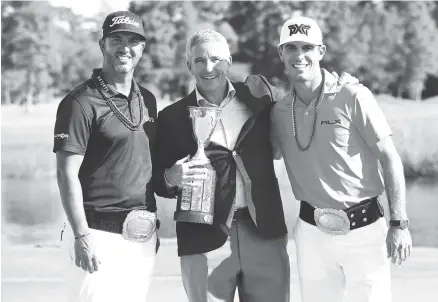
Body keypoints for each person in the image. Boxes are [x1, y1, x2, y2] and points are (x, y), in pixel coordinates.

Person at [153, 29, 355, 302]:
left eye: (216, 59)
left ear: (229, 61)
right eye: (199, 60)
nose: (209, 67)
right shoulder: (171, 117)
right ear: (189, 65)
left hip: (264, 232)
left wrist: (335, 86)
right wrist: (172, 177)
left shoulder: (258, 93)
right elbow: (160, 183)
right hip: (204, 239)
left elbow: (300, 104)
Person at [271, 16, 413, 302]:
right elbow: (265, 155)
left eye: (307, 48)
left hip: (365, 232)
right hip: (311, 236)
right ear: (281, 54)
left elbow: (390, 158)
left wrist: (399, 224)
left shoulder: (353, 95)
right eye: (292, 47)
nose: (300, 55)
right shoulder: (278, 112)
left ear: (321, 52)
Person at [54, 11, 159, 302]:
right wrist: (81, 236)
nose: (125, 47)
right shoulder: (79, 102)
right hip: (96, 236)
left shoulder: (147, 99)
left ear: (142, 48)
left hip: (142, 238)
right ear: (103, 45)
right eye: (116, 39)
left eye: (133, 40)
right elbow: (66, 174)